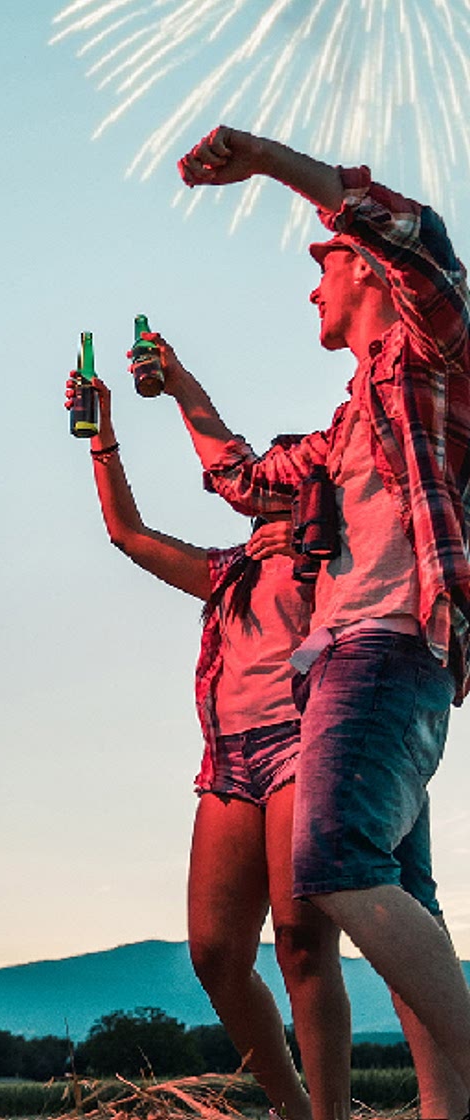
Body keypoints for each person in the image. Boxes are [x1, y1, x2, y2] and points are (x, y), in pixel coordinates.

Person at [151, 124, 470, 1114]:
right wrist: (180, 387)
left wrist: (270, 163)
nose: (309, 289)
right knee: (399, 896)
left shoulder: (429, 352)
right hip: (343, 663)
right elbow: (245, 480)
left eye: (322, 267)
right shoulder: (338, 431)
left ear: (365, 269)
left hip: (391, 644)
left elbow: (416, 235)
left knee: (329, 860)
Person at [64, 374, 349, 1120]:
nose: (261, 498)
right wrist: (103, 435)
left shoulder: (334, 568)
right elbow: (129, 535)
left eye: (281, 488)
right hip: (229, 763)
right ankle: (290, 1107)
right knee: (216, 954)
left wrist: (317, 546)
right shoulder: (226, 574)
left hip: (303, 742)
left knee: (300, 941)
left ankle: (332, 1115)